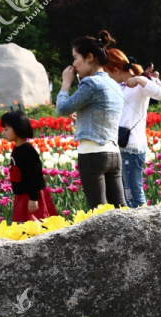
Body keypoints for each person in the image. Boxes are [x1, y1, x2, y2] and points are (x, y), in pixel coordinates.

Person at [56, 29, 125, 209]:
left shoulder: (90, 83)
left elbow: (62, 109)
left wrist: (65, 83)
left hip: (92, 154)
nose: (73, 64)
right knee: (121, 209)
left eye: (75, 57)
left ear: (89, 57)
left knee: (99, 212)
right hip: (113, 153)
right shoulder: (113, 83)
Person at [106, 49, 161, 209]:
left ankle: (145, 229)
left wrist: (140, 79)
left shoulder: (139, 85)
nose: (107, 77)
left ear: (116, 70)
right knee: (124, 196)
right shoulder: (117, 87)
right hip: (118, 145)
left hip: (132, 146)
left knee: (134, 194)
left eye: (108, 72)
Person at [0, 110, 58, 223]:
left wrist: (33, 198)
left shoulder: (28, 150)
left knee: (36, 224)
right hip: (21, 196)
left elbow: (35, 175)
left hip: (31, 197)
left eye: (6, 129)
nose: (3, 133)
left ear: (18, 128)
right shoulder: (17, 149)